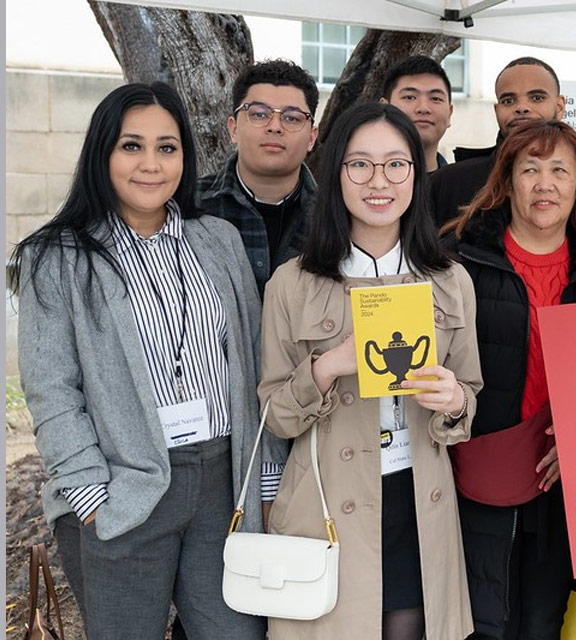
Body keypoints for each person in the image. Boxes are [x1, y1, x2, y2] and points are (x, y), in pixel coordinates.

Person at [12, 82, 281, 639]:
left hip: (222, 485)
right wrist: (90, 493)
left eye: (168, 147)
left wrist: (267, 476)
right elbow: (50, 387)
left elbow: (255, 364)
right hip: (124, 486)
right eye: (132, 146)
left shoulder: (218, 241)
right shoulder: (56, 256)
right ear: (102, 153)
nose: (151, 165)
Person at [258, 102, 482, 640]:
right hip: (327, 504)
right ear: (336, 175)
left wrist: (453, 399)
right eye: (359, 164)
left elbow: (470, 394)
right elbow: (273, 415)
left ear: (416, 174)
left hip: (417, 498)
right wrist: (331, 365)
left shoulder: (451, 281)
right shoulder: (292, 283)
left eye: (396, 164)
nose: (378, 181)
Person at [442, 119, 576, 640]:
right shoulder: (457, 259)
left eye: (559, 170)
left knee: (544, 622)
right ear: (507, 180)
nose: (545, 184)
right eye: (530, 170)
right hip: (477, 471)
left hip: (563, 479)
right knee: (480, 622)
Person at [197, 58, 319, 297]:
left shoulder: (337, 215)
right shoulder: (189, 205)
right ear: (233, 128)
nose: (275, 126)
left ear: (312, 137)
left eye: (292, 117)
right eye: (260, 114)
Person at [430, 56, 566, 227]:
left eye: (537, 98)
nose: (522, 107)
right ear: (497, 110)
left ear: (560, 106)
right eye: (508, 101)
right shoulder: (448, 184)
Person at [381, 54, 454, 173]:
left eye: (435, 99)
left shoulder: (463, 188)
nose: (423, 108)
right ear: (384, 107)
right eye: (409, 97)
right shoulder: (357, 182)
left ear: (450, 114)